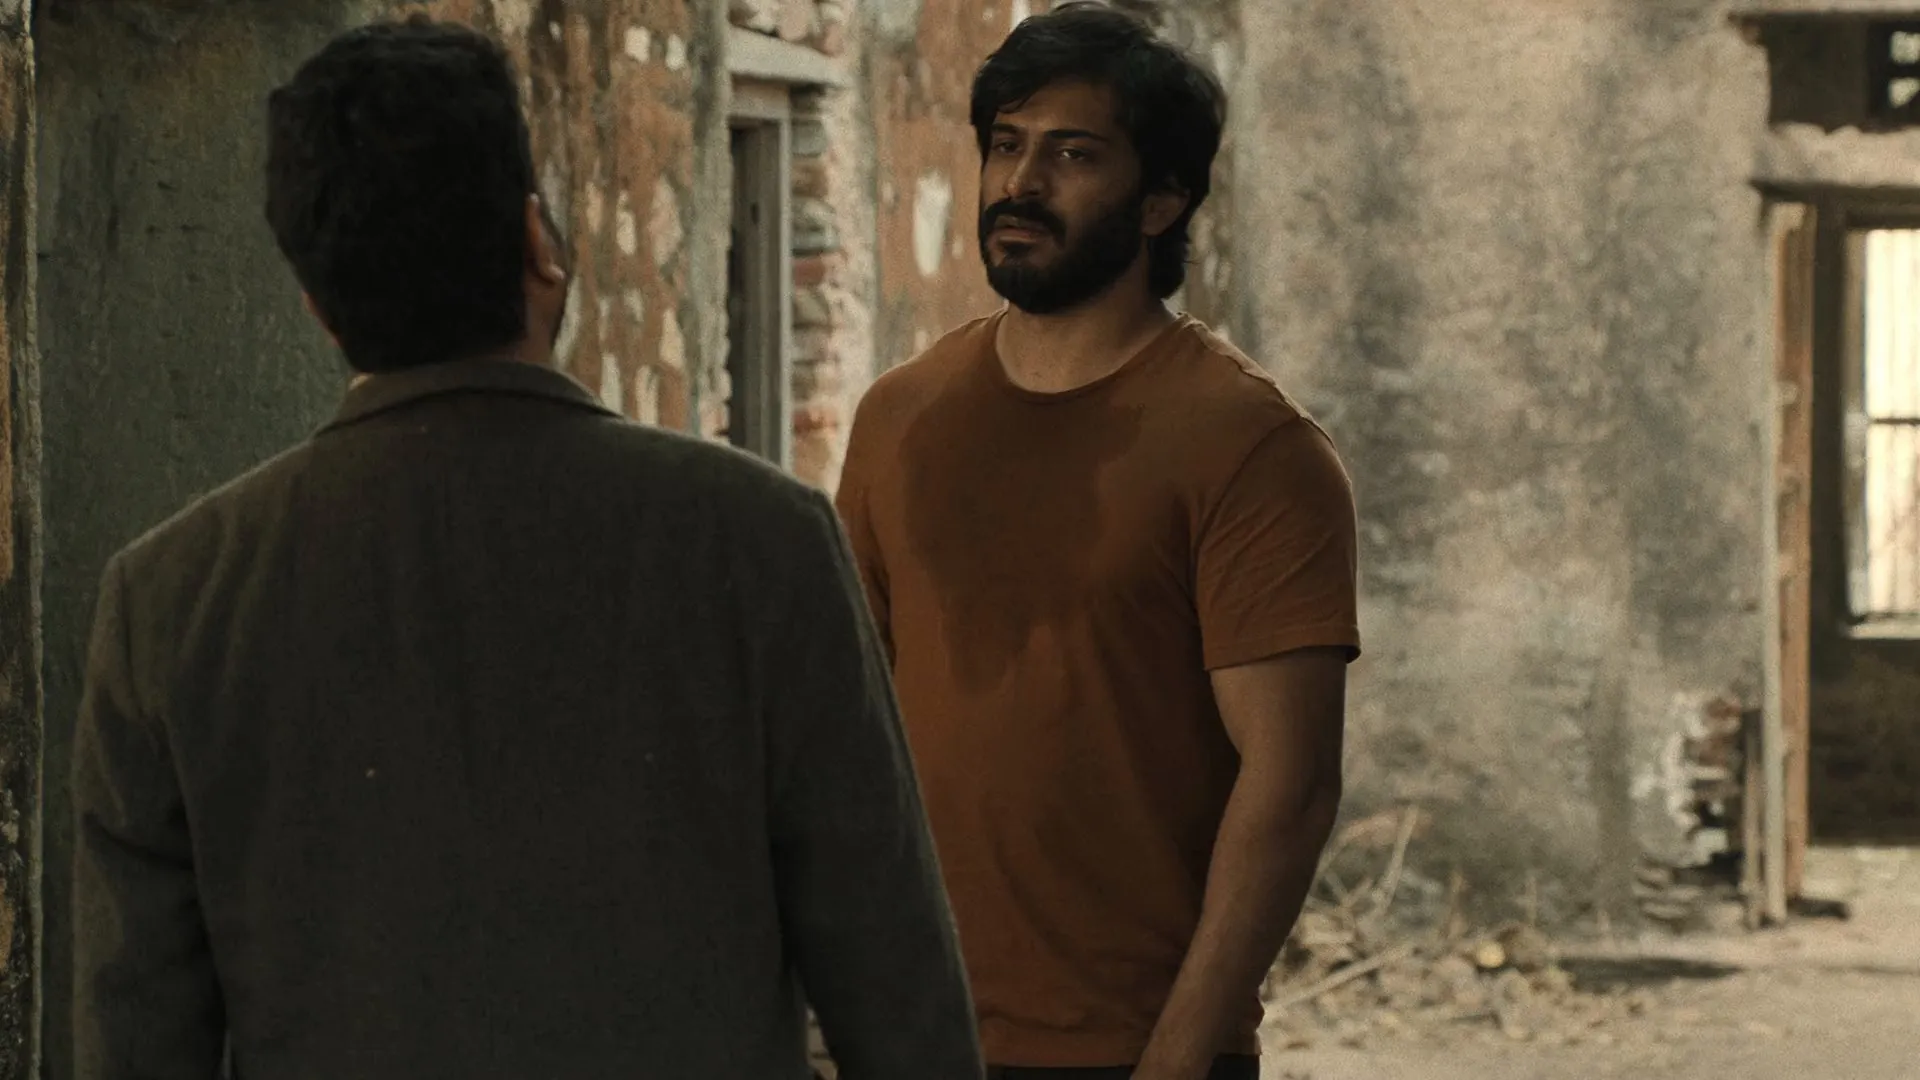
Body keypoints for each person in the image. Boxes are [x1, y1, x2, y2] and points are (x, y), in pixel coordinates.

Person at [69, 16, 982, 1080]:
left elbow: (136, 1039)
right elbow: (904, 1007)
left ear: (317, 305)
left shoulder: (169, 603)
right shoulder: (761, 544)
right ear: (539, 246)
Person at [833, 5, 1359, 1078]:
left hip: (1130, 1048)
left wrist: (1178, 1057)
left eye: (1073, 155)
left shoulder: (1252, 447)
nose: (1020, 183)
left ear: (1162, 199)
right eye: (1007, 145)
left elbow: (1292, 785)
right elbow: (845, 725)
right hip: (913, 1032)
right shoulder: (900, 417)